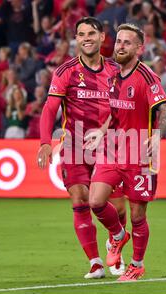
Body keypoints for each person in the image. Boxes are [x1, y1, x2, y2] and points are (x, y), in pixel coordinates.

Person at [37, 17, 127, 279]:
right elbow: (50, 108)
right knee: (80, 198)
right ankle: (96, 262)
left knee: (118, 209)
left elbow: (123, 108)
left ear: (102, 37)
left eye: (91, 33)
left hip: (110, 147)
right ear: (76, 39)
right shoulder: (65, 72)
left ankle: (116, 238)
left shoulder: (115, 70)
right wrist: (45, 142)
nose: (86, 38)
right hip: (75, 146)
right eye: (81, 34)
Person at [85, 23, 166, 281]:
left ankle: (137, 264)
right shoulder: (112, 75)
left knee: (137, 215)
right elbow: (113, 112)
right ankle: (117, 235)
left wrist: (157, 135)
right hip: (112, 150)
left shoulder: (147, 77)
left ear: (138, 48)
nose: (120, 46)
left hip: (140, 154)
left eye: (127, 42)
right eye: (118, 41)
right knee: (96, 201)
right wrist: (101, 131)